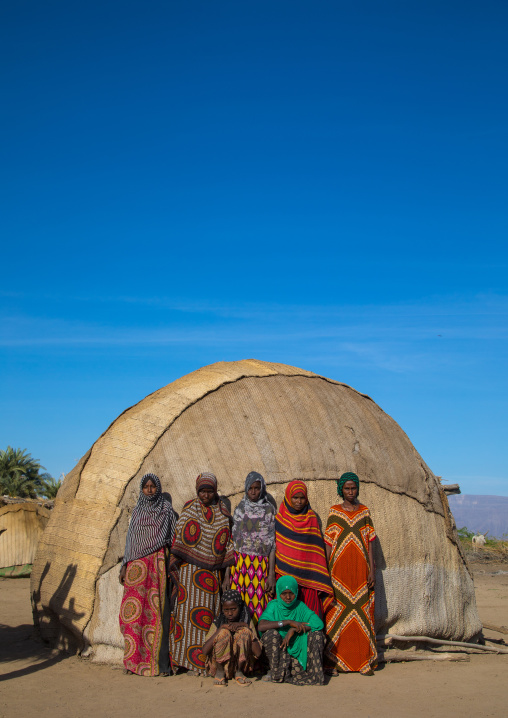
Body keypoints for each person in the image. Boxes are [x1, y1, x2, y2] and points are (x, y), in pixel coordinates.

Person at [169, 472, 235, 675]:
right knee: (186, 620)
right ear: (197, 491)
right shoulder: (189, 509)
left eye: (209, 491)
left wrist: (226, 575)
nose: (205, 495)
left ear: (215, 491)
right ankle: (184, 662)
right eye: (202, 491)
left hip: (211, 576)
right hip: (189, 575)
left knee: (207, 619)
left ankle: (203, 663)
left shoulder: (223, 514)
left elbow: (227, 544)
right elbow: (179, 538)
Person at [118, 472, 177, 676]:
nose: (150, 490)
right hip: (136, 569)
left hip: (157, 566)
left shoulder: (166, 510)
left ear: (158, 488)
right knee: (132, 616)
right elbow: (130, 542)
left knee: (157, 614)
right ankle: (132, 662)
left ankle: (160, 665)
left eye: (153, 486)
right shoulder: (137, 512)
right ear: (141, 489)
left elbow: (172, 538)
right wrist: (125, 566)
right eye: (146, 486)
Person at [324, 471, 377, 675]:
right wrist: (325, 571)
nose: (350, 492)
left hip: (360, 571)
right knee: (337, 614)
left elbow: (370, 543)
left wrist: (372, 570)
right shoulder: (334, 512)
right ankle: (334, 662)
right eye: (346, 488)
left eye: (353, 488)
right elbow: (328, 544)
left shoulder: (364, 512)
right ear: (341, 490)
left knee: (361, 613)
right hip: (339, 573)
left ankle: (362, 660)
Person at [275, 480, 333, 618]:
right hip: (285, 577)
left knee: (311, 617)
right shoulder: (280, 519)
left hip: (309, 579)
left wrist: (320, 580)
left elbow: (316, 552)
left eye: (302, 498)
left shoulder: (311, 518)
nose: (299, 502)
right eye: (295, 498)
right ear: (289, 497)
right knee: (286, 615)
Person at [226, 471, 276, 625]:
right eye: (251, 488)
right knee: (239, 607)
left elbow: (272, 544)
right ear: (246, 489)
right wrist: (227, 575)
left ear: (262, 488)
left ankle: (258, 646)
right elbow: (232, 543)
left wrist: (271, 574)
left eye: (257, 488)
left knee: (259, 607)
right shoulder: (240, 509)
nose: (254, 492)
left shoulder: (269, 510)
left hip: (260, 566)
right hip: (240, 566)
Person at [258, 575, 325, 685]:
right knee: (271, 634)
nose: (288, 597)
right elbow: (261, 626)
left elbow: (318, 623)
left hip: (296, 654)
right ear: (279, 593)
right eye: (284, 594)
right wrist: (287, 622)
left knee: (317, 634)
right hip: (278, 654)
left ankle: (314, 675)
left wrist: (294, 630)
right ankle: (277, 674)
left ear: (296, 593)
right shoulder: (274, 606)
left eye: (291, 593)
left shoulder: (300, 606)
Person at [202, 589, 262, 686]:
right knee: (223, 633)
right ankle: (220, 671)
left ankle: (239, 671)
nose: (230, 613)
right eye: (226, 610)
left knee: (244, 632)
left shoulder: (246, 620)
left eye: (233, 609)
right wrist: (221, 628)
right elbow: (205, 650)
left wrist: (246, 627)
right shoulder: (219, 622)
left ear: (240, 607)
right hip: (219, 665)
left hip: (240, 665)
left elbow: (258, 653)